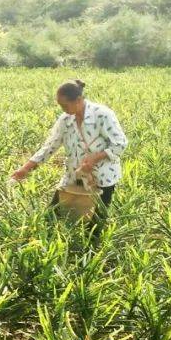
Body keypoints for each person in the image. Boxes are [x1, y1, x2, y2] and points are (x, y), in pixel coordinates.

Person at [11, 80, 127, 236]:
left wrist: (95, 158)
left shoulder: (102, 114)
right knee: (52, 215)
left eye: (65, 105)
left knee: (94, 227)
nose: (63, 110)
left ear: (78, 100)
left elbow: (120, 144)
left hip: (101, 179)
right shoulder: (66, 119)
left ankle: (89, 256)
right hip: (74, 176)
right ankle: (53, 250)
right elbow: (49, 147)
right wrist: (25, 169)